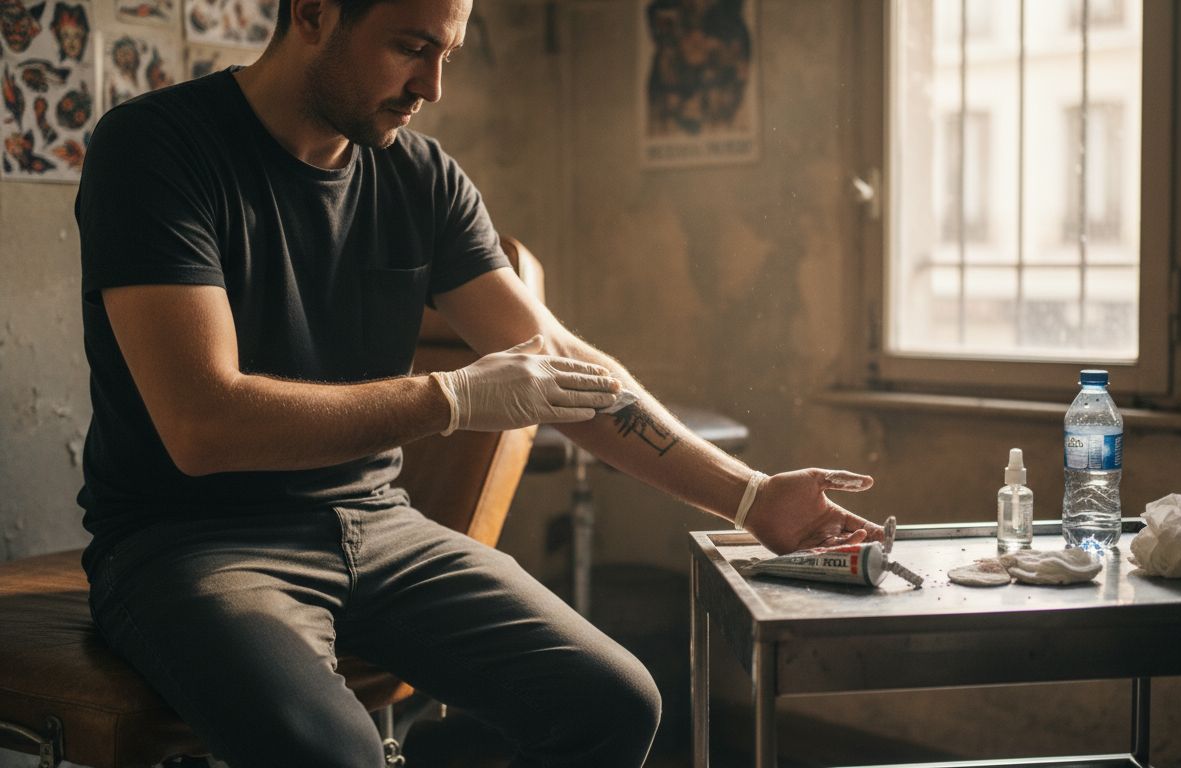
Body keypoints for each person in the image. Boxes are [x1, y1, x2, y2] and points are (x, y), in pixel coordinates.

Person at [74, 0, 884, 765]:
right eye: (411, 46)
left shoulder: (421, 177)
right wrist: (450, 398)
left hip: (375, 526)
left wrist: (752, 498)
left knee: (613, 702)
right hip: (191, 541)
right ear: (313, 12)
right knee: (334, 755)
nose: (431, 86)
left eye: (448, 54)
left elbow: (559, 362)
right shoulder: (155, 148)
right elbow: (203, 425)